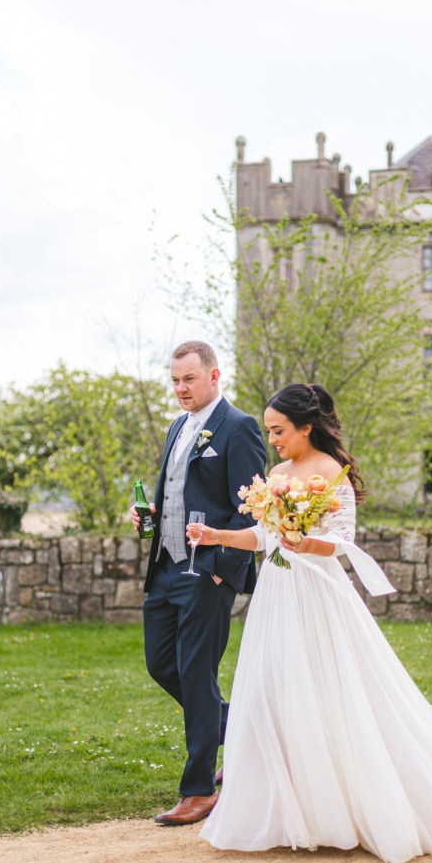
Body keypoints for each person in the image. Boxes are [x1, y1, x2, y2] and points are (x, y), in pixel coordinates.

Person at [186, 382, 432, 863]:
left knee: (330, 691)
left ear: (306, 427)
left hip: (318, 595)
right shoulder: (279, 472)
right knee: (275, 690)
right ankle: (289, 813)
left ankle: (344, 810)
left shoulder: (333, 473)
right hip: (278, 595)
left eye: (279, 430)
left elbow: (342, 541)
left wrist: (308, 544)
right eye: (269, 432)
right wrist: (215, 535)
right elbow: (264, 536)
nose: (273, 440)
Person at [131, 340, 265, 827]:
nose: (180, 388)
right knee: (161, 663)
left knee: (195, 671)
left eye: (188, 379)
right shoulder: (176, 427)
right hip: (166, 567)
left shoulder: (240, 427)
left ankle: (198, 789)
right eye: (174, 380)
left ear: (214, 376)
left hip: (206, 573)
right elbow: (177, 489)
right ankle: (248, 739)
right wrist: (149, 516)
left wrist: (219, 566)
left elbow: (251, 504)